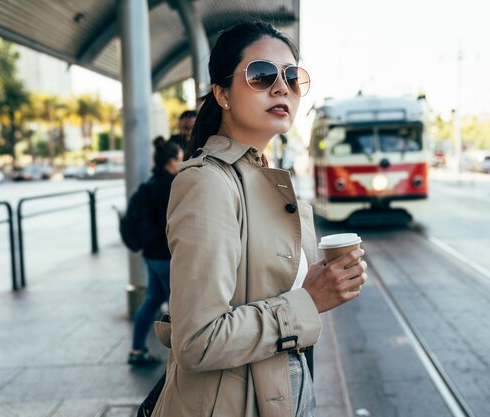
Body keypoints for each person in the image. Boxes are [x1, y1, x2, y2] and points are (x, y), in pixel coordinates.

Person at [152, 21, 367, 417]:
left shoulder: (262, 175)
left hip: (279, 387)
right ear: (222, 94)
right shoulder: (208, 183)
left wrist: (322, 283)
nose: (281, 87)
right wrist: (307, 302)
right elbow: (198, 340)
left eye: (292, 76)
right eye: (261, 75)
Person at [128, 137, 184, 366]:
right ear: (172, 161)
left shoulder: (152, 183)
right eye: (180, 159)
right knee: (179, 306)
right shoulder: (172, 186)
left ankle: (137, 349)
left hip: (151, 255)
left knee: (153, 299)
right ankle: (181, 359)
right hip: (165, 256)